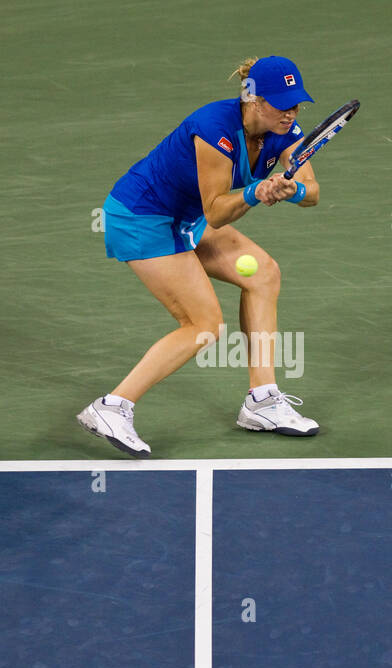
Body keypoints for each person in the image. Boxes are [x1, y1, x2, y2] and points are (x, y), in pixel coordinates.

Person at [77, 55, 323, 458]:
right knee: (203, 324)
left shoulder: (287, 130)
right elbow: (217, 211)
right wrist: (256, 191)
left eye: (296, 104)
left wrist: (289, 189)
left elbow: (312, 192)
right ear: (253, 99)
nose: (290, 113)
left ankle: (261, 400)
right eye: (281, 104)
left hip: (183, 217)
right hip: (141, 217)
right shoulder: (214, 128)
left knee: (264, 274)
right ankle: (111, 407)